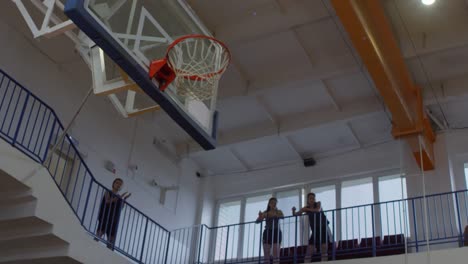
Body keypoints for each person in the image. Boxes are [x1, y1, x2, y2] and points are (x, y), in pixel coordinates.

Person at [95, 178, 131, 250]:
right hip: (105, 217)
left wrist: (124, 199)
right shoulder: (108, 192)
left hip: (114, 220)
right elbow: (107, 201)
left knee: (111, 243)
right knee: (97, 237)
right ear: (113, 184)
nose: (118, 185)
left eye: (120, 184)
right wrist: (119, 197)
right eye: (117, 183)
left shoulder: (119, 197)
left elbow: (120, 208)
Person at [292, 193, 329, 262]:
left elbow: (318, 210)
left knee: (324, 248)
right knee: (309, 250)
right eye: (310, 198)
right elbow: (296, 214)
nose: (312, 200)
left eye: (313, 198)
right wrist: (293, 211)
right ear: (308, 200)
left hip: (322, 228)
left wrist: (306, 209)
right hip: (315, 230)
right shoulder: (306, 208)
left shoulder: (318, 204)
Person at [256, 197, 284, 264]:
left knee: (276, 253)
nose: (274, 204)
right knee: (266, 253)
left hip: (276, 231)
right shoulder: (265, 212)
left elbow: (282, 216)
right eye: (272, 203)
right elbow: (257, 221)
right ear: (269, 204)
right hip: (267, 232)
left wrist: (272, 214)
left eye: (275, 203)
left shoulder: (278, 211)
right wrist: (260, 217)